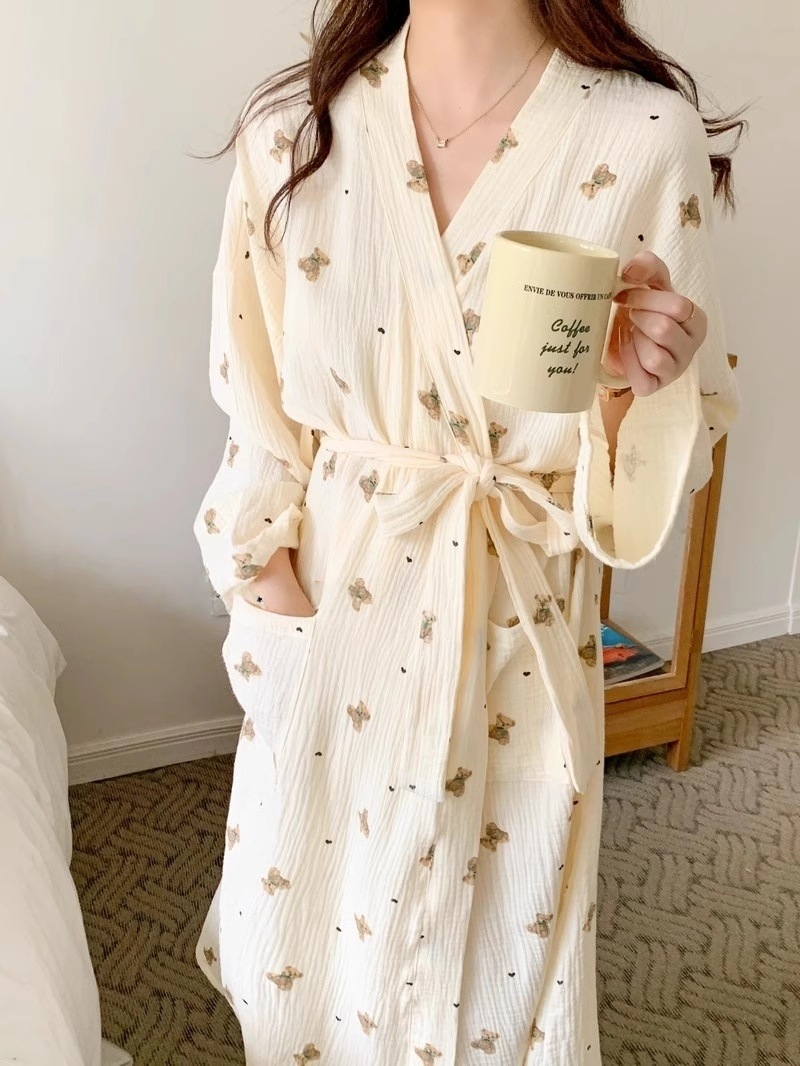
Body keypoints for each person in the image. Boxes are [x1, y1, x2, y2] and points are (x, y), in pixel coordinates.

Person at [192, 1, 743, 1061]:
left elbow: (682, 435)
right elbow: (254, 403)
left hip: (516, 627)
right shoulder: (295, 132)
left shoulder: (641, 135)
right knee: (302, 958)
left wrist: (631, 392)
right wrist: (270, 596)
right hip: (334, 609)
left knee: (491, 971)